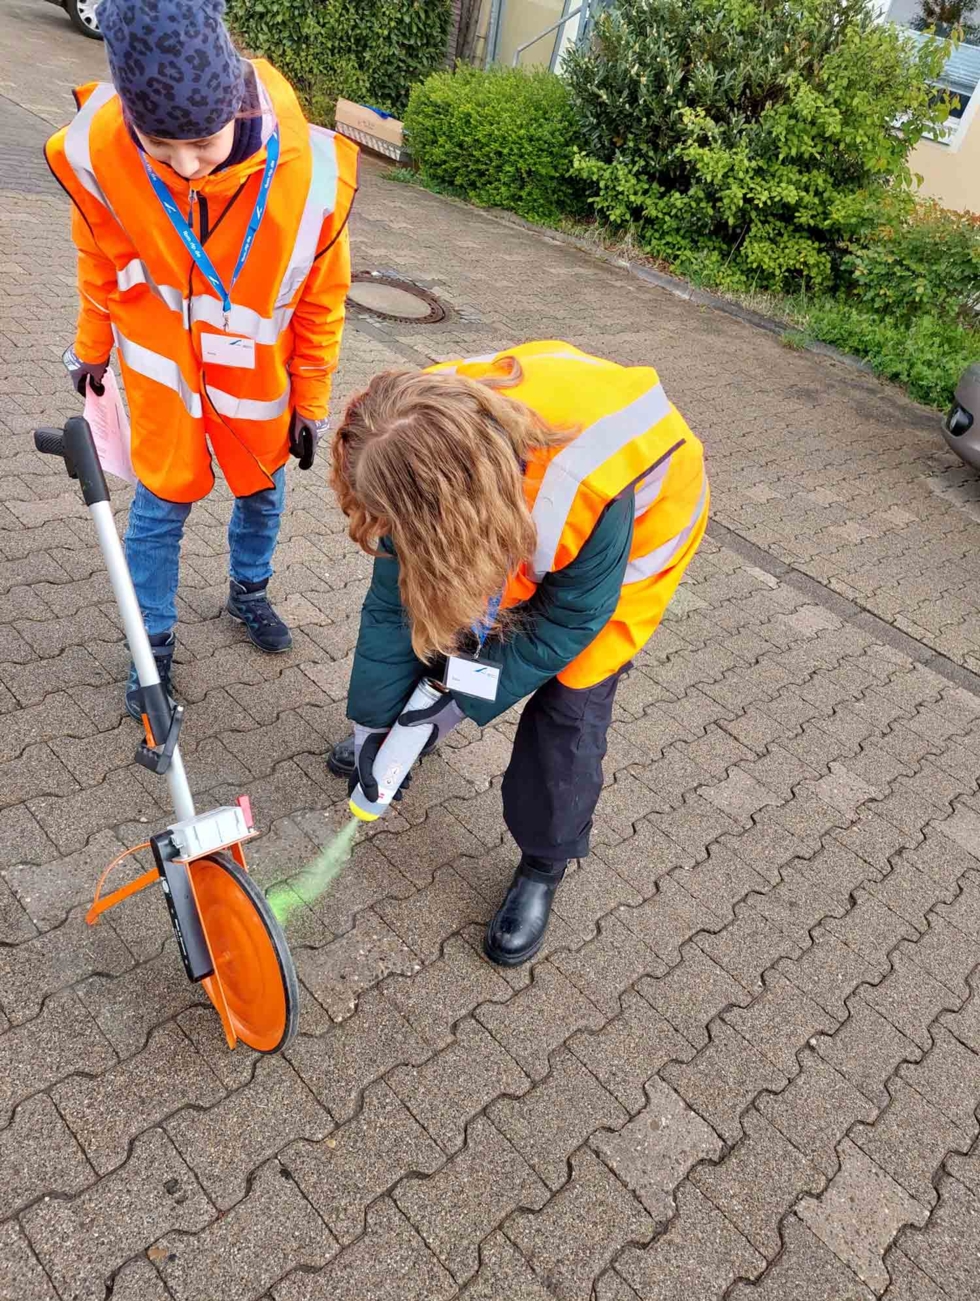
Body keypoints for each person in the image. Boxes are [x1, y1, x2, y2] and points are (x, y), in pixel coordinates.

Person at [326, 341, 709, 965]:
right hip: (501, 500)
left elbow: (568, 621)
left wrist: (454, 700)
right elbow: (397, 604)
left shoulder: (581, 491)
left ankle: (543, 861)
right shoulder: (402, 424)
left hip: (634, 533)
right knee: (445, 608)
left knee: (570, 709)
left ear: (450, 497)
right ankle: (403, 736)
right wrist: (374, 724)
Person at [45, 0, 358, 720]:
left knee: (262, 492)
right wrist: (91, 346)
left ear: (234, 101)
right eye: (161, 146)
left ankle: (249, 589)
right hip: (166, 380)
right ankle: (150, 645)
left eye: (204, 144)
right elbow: (102, 257)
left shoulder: (306, 177)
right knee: (158, 510)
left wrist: (311, 400)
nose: (185, 166)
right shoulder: (103, 150)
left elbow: (320, 301)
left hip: (254, 385)